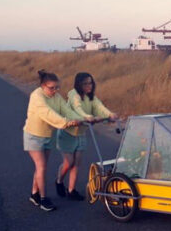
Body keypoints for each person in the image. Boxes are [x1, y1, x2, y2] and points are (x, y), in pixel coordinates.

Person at [23, 70, 84, 212]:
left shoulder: (56, 96)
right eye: (52, 88)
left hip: (48, 135)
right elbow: (47, 113)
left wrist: (80, 119)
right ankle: (43, 199)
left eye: (57, 87)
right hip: (33, 135)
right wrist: (66, 123)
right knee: (42, 166)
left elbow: (65, 109)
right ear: (43, 86)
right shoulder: (37, 96)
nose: (55, 90)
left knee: (40, 167)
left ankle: (34, 194)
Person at [56, 72, 119, 200]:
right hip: (67, 133)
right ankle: (59, 181)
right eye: (85, 83)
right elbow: (78, 108)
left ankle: (71, 190)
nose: (88, 86)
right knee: (69, 163)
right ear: (79, 84)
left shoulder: (91, 97)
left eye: (90, 83)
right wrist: (87, 117)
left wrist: (110, 114)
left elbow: (99, 107)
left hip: (81, 133)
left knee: (76, 164)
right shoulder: (73, 95)